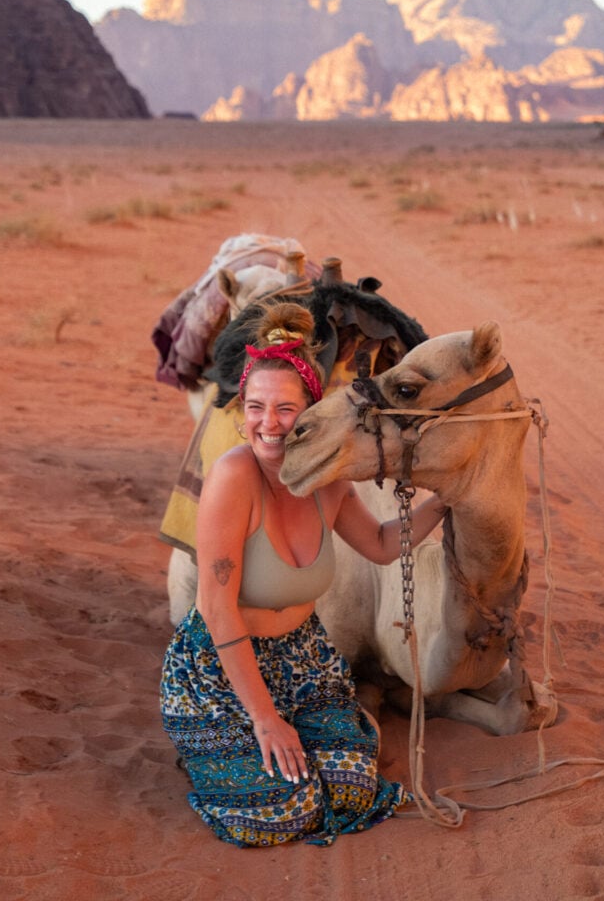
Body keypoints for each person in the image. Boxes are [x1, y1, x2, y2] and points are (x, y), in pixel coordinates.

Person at [160, 301, 447, 847]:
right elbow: (217, 609)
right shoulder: (233, 477)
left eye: (285, 409)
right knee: (283, 812)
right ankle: (217, 750)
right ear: (242, 409)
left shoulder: (328, 481)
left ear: (311, 410)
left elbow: (383, 545)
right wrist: (265, 718)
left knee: (352, 791)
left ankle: (268, 748)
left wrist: (447, 499)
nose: (268, 424)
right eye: (255, 407)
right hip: (219, 668)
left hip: (304, 661)